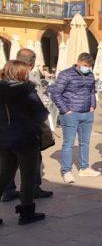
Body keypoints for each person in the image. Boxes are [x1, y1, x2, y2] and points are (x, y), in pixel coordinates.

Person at [0, 60, 48, 225]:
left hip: (4, 138)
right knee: (28, 175)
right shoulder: (26, 90)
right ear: (21, 73)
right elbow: (41, 114)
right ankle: (26, 212)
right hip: (25, 138)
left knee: (4, 174)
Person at [49, 52, 100, 183]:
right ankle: (66, 171)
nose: (87, 68)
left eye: (89, 66)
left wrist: (93, 105)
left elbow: (92, 91)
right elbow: (55, 93)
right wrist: (65, 110)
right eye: (85, 65)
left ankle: (84, 168)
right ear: (78, 63)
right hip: (71, 115)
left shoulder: (90, 75)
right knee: (68, 144)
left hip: (87, 114)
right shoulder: (65, 74)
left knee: (85, 142)